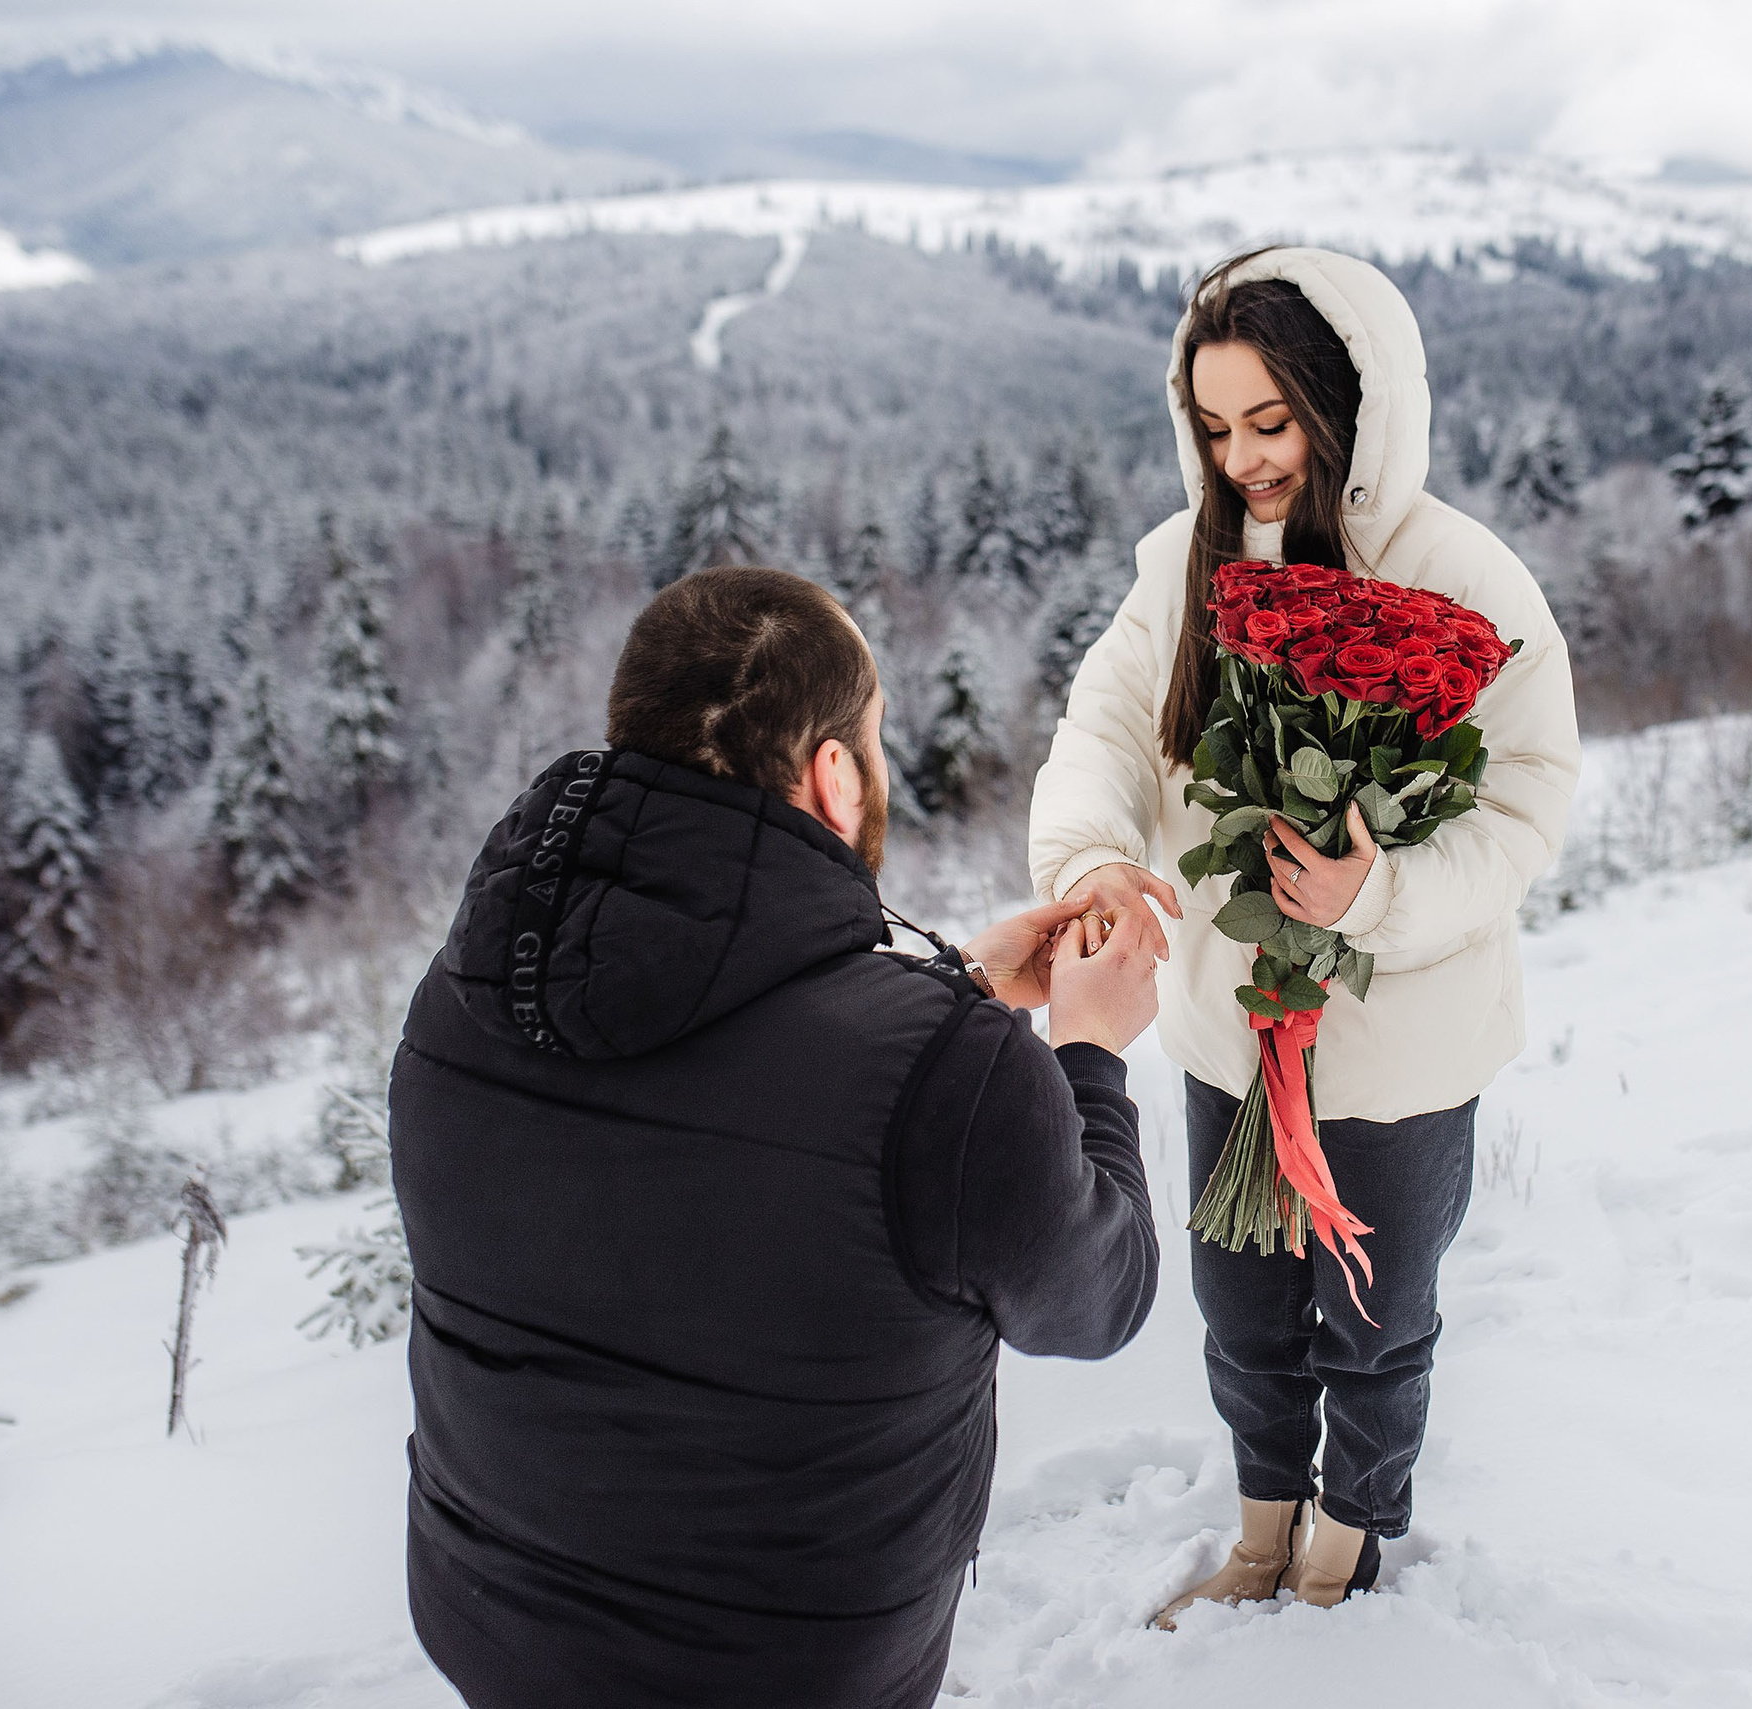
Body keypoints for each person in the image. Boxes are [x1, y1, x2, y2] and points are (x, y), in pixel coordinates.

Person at [391, 566, 1162, 1708]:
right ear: (835, 771)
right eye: (877, 736)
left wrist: (957, 986)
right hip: (787, 1669)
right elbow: (1098, 1296)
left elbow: (733, 1091)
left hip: (492, 1622)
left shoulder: (463, 1000)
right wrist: (1088, 1050)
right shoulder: (952, 1073)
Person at [1027, 247, 1582, 1619]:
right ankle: (1261, 1530)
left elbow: (1524, 805)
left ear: (1347, 405)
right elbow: (1102, 728)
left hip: (1398, 1051)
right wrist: (1096, 852)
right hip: (1229, 1034)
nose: (1243, 458)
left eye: (1269, 423)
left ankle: (1348, 1543)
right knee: (1244, 1317)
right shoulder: (1188, 565)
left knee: (1377, 1325)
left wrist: (1373, 895)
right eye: (1215, 428)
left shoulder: (1467, 579)